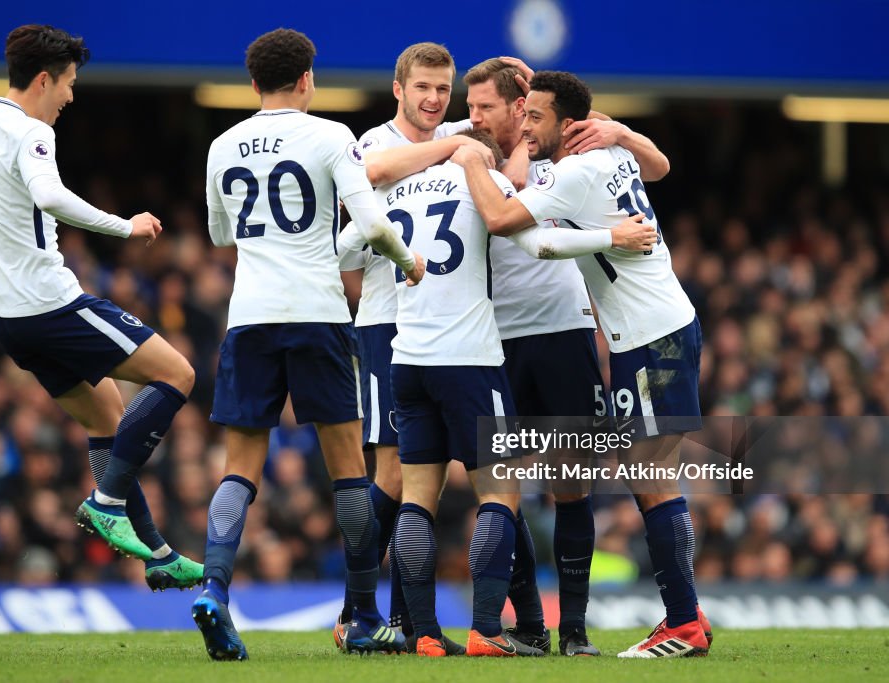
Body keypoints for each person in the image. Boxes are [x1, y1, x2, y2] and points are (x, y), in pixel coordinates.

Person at [0, 24, 201, 591]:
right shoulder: (32, 132)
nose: (70, 97)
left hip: (7, 320)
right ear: (43, 79)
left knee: (109, 420)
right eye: (68, 84)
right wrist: (124, 227)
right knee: (178, 374)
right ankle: (106, 502)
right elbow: (51, 196)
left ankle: (158, 554)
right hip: (52, 306)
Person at [346, 127, 654, 656]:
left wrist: (405, 261)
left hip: (407, 360)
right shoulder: (481, 181)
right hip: (470, 360)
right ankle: (487, 629)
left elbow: (349, 245)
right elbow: (542, 242)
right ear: (482, 154)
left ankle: (422, 634)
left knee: (417, 501)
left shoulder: (396, 188)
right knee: (499, 496)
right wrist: (613, 238)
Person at [452, 69, 713, 658]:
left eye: (536, 117)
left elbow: (511, 227)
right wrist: (619, 139)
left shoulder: (574, 170)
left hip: (651, 334)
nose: (526, 124)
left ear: (568, 125)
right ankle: (687, 612)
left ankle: (682, 622)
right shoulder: (607, 151)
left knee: (651, 478)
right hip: (647, 330)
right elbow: (657, 168)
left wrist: (472, 165)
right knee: (650, 474)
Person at [197, 28, 424, 661]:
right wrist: (407, 261)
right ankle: (361, 619)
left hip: (249, 316)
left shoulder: (221, 145)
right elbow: (372, 222)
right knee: (349, 466)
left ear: (252, 85)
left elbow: (221, 234)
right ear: (306, 81)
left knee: (239, 468)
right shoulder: (330, 137)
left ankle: (214, 589)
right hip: (318, 314)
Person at [335, 41, 481, 656]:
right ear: (398, 88)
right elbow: (373, 179)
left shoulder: (450, 135)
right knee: (391, 474)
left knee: (426, 478)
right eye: (422, 86)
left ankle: (398, 617)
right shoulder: (371, 143)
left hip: (441, 333)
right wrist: (453, 141)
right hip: (386, 325)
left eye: (442, 89)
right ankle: (355, 609)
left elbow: (482, 122)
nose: (432, 99)